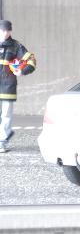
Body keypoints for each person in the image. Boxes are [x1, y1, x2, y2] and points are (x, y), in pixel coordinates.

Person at [0, 20, 36, 153]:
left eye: (8, 30)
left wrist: (23, 71)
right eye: (3, 30)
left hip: (8, 87)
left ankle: (2, 142)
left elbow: (31, 60)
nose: (6, 33)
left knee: (6, 115)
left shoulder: (16, 46)